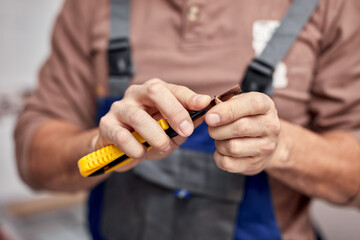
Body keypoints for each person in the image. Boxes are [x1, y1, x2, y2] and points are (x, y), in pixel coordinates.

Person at [14, 0, 360, 239]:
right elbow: (33, 161)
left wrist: (280, 148)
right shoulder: (91, 7)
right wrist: (99, 145)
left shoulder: (329, 7)